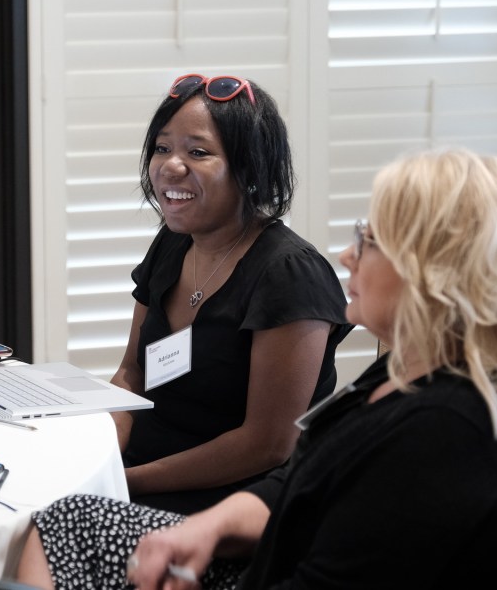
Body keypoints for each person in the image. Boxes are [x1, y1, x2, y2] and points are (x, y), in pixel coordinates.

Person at [15, 149, 497, 590]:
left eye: (370, 240)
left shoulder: (446, 435)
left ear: (437, 275)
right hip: (272, 553)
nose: (349, 255)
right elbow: (300, 477)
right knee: (69, 520)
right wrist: (210, 527)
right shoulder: (425, 372)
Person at [109, 73, 352, 515]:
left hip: (233, 504)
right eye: (162, 148)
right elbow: (132, 373)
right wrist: (96, 452)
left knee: (45, 527)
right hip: (137, 474)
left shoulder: (289, 273)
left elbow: (267, 446)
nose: (170, 166)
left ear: (250, 167)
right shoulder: (173, 242)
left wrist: (124, 482)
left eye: (197, 152)